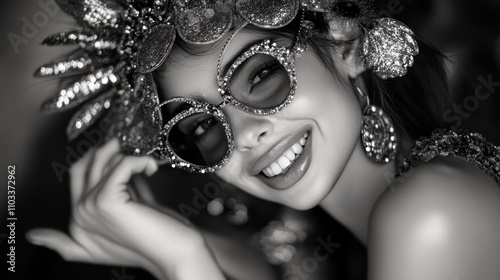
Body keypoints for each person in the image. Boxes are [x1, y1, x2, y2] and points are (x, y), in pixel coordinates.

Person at [27, 0, 500, 279]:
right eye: (200, 129)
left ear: (346, 43)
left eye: (261, 76)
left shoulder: (431, 212)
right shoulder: (343, 238)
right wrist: (180, 242)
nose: (245, 134)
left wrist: (186, 264)